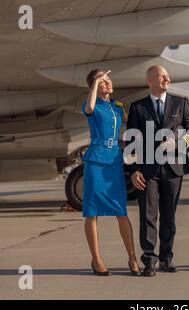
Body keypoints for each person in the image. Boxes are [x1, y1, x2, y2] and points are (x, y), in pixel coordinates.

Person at [126, 65, 189, 277]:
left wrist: (179, 142)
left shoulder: (181, 103)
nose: (167, 78)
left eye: (167, 75)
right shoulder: (138, 107)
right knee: (148, 216)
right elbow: (131, 141)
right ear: (149, 80)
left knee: (169, 216)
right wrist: (133, 170)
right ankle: (149, 260)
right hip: (147, 170)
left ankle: (166, 258)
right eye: (162, 75)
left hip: (173, 168)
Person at [81, 69, 141, 276]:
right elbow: (89, 107)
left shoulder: (117, 107)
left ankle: (133, 258)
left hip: (114, 161)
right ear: (94, 85)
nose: (108, 83)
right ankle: (97, 261)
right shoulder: (91, 104)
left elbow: (130, 127)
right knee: (92, 214)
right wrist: (96, 83)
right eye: (103, 81)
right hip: (96, 161)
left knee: (121, 212)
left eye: (108, 80)